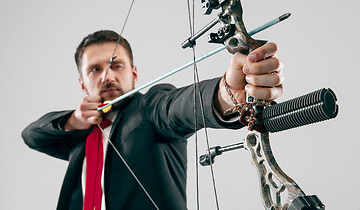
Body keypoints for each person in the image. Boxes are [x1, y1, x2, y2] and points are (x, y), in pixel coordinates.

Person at [22, 30, 284, 210]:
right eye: (95, 69)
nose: (107, 76)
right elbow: (32, 135)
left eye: (116, 65)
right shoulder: (79, 136)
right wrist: (73, 121)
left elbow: (178, 107)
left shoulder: (149, 108)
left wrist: (226, 93)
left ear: (134, 74)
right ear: (82, 83)